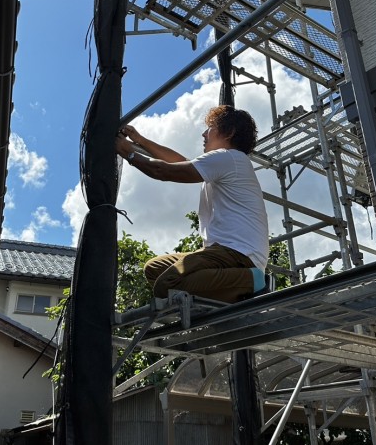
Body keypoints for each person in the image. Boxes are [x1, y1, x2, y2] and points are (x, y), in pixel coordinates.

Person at [115, 105, 269, 303]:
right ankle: (229, 292)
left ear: (229, 132)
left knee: (166, 285)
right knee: (154, 268)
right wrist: (141, 140)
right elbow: (179, 162)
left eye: (211, 127)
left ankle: (254, 280)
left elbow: (165, 171)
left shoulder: (229, 157)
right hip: (220, 253)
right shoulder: (226, 162)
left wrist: (130, 154)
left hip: (238, 254)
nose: (204, 133)